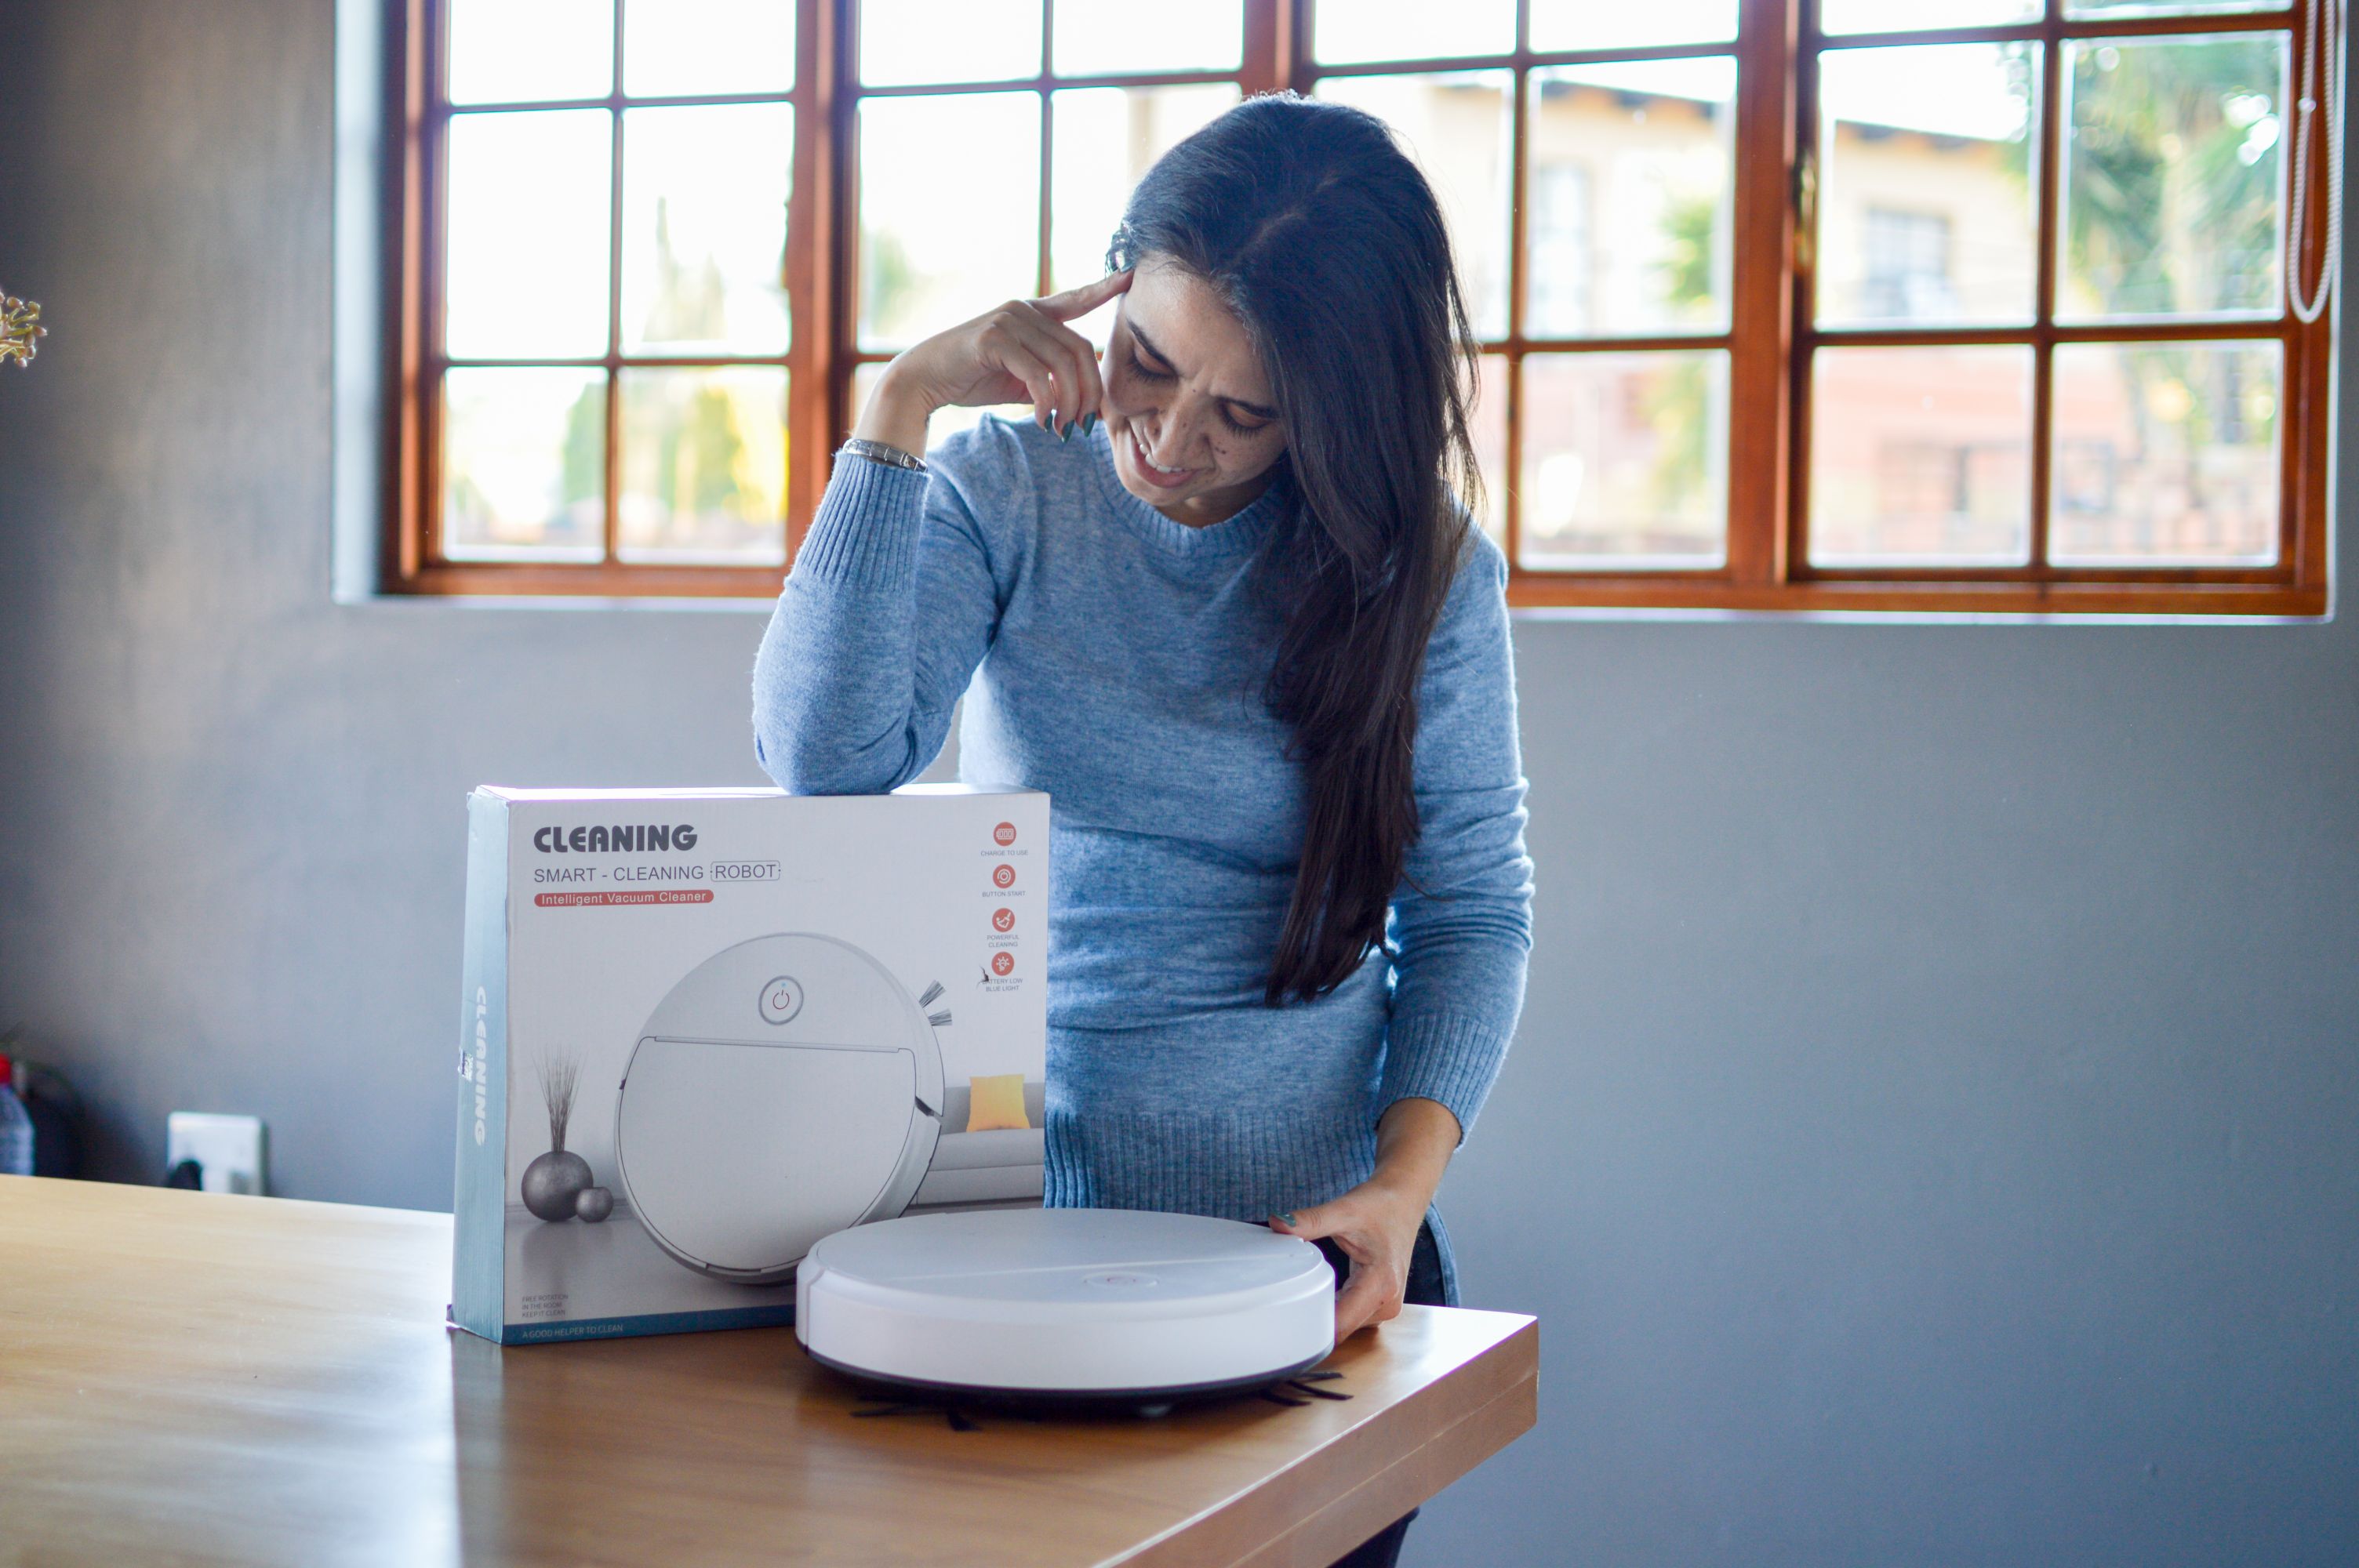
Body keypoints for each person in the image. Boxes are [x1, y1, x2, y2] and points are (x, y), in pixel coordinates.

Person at [753, 93, 1532, 1566]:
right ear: (1106, 293)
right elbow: (827, 761)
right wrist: (897, 412)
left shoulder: (1421, 571)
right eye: (1146, 365)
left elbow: (1476, 911)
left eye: (1246, 415)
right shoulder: (1004, 486)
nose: (1173, 440)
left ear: (1340, 411)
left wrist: (1398, 1192)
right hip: (1008, 1241)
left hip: (1308, 1264)